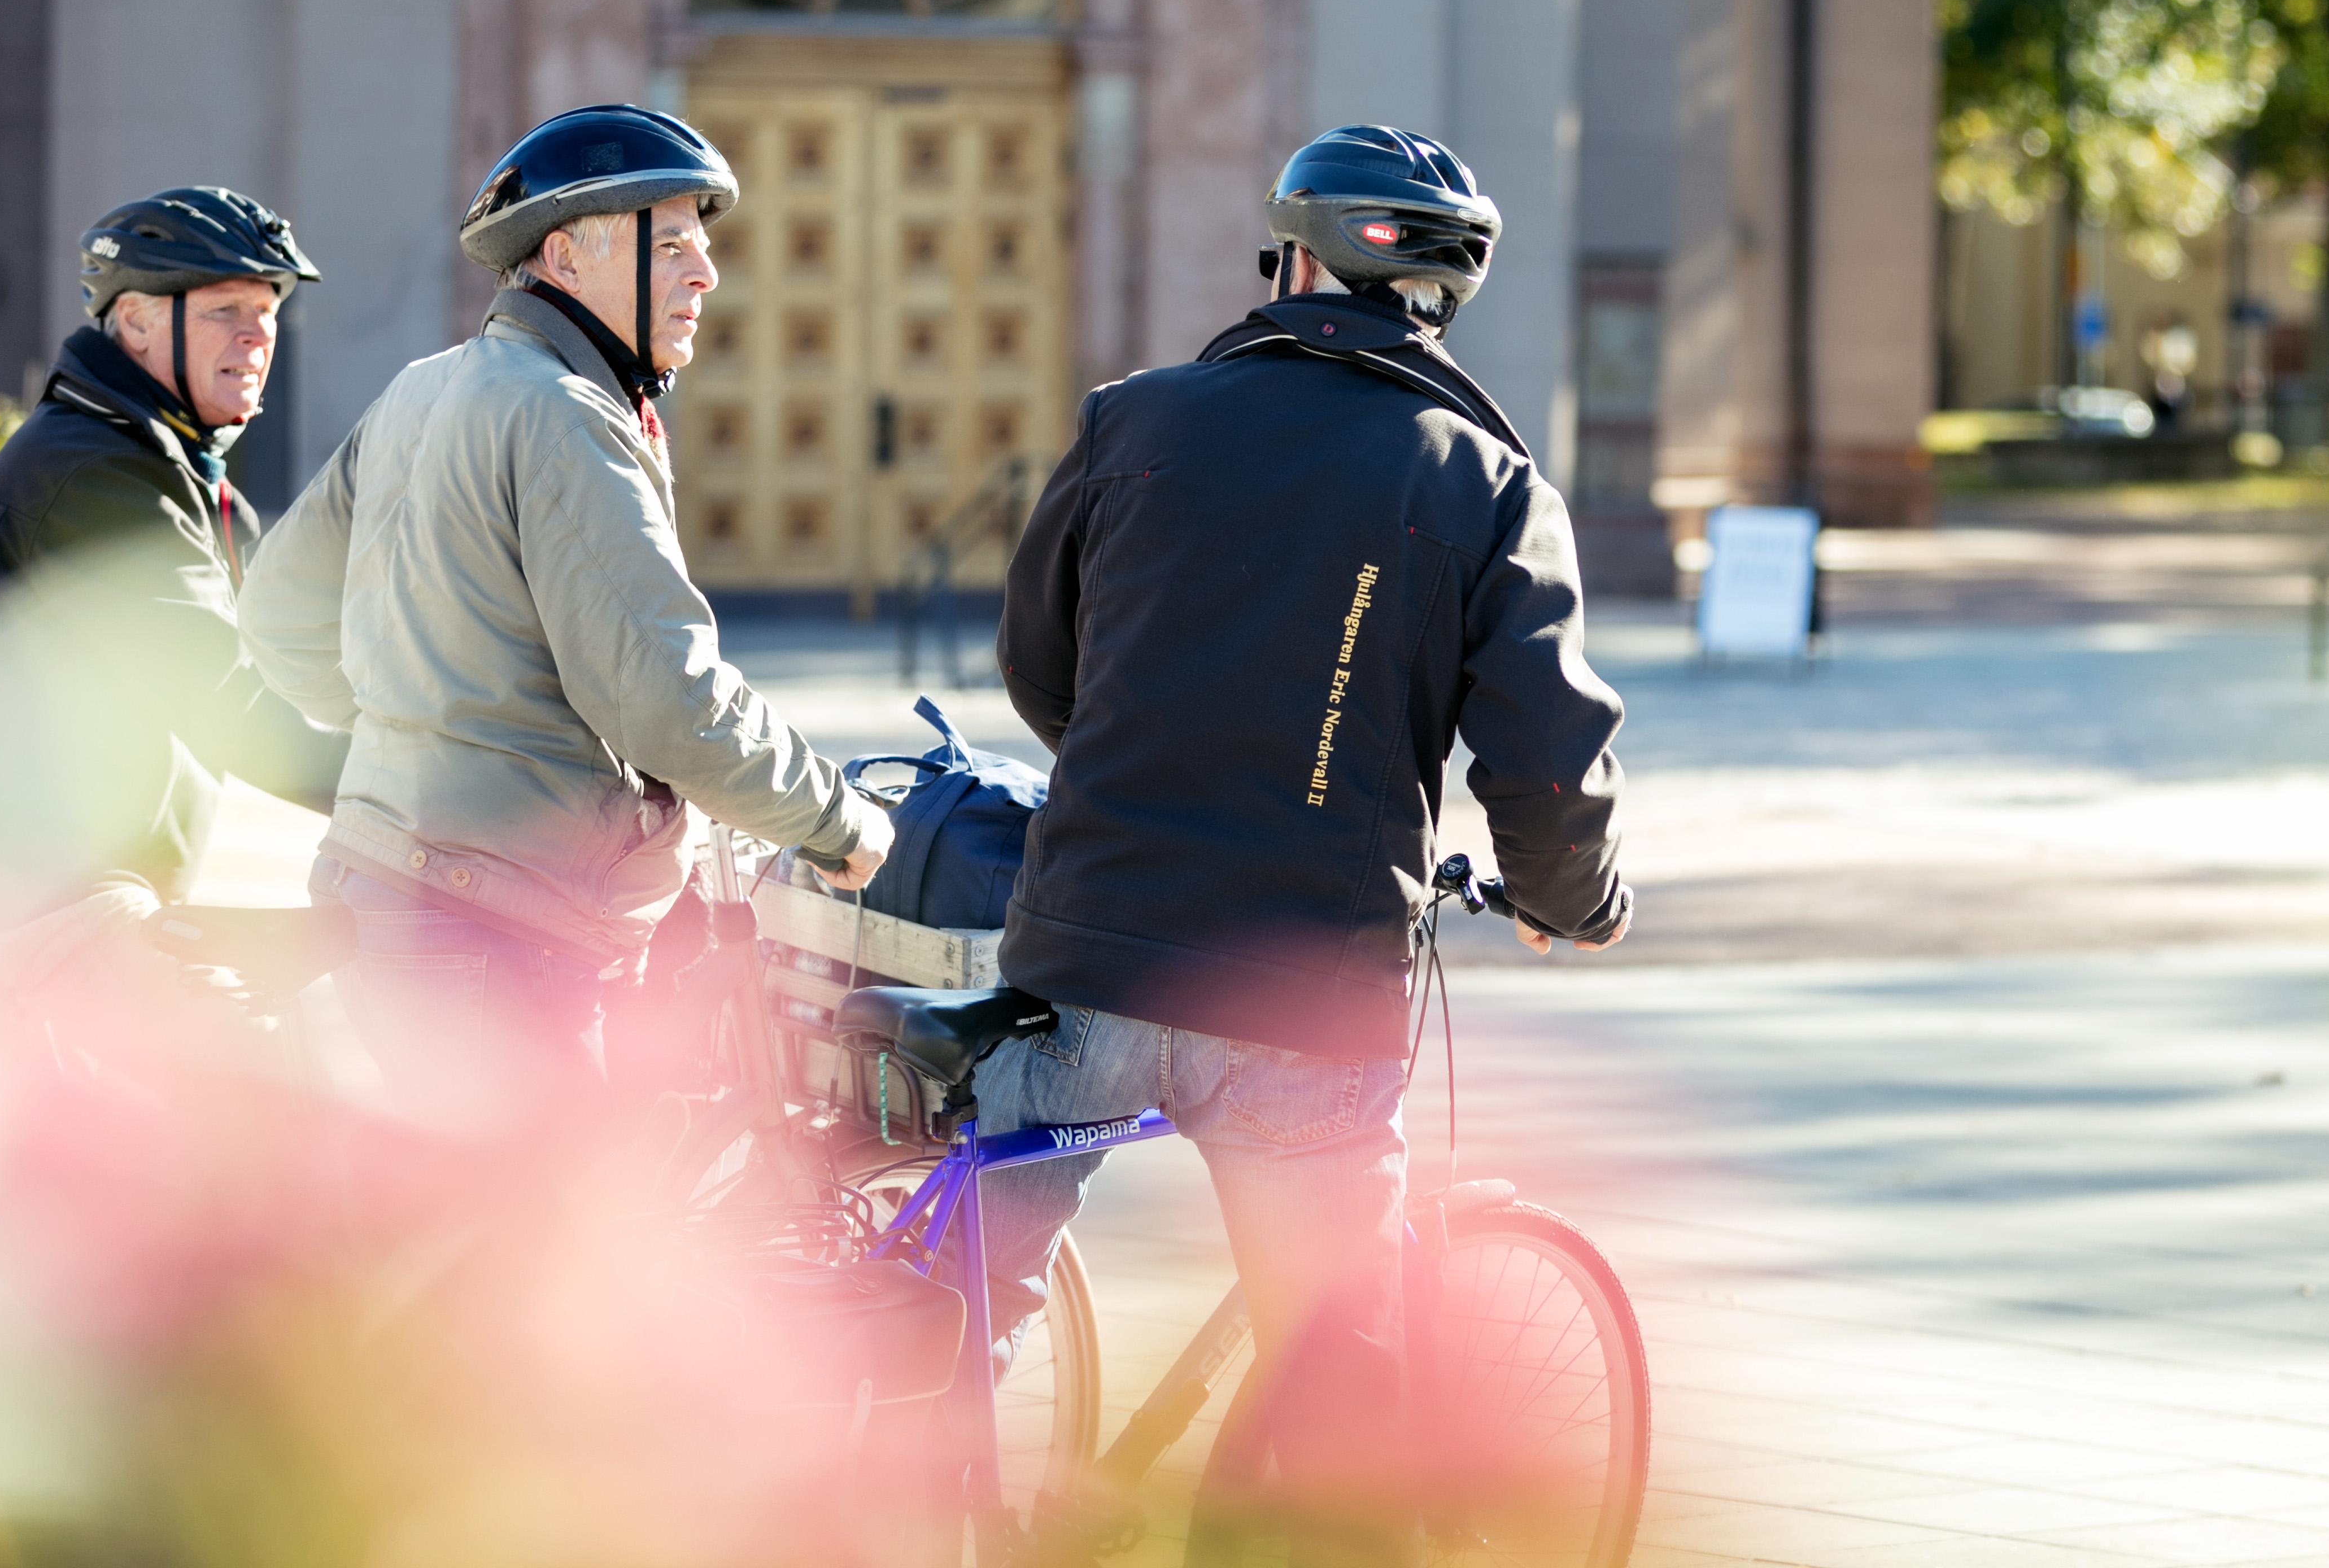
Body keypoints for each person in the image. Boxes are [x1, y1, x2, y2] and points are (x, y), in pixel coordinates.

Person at [979, 124, 1634, 1564]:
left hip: (1088, 944)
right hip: (1303, 996)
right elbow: (1543, 756)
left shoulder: (1132, 421)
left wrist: (1143, 770)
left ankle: (903, 1497)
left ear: (1285, 261)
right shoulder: (1483, 481)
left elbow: (1040, 667)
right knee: (1334, 1367)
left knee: (971, 1284)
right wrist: (1567, 900)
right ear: (1440, 302)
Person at [237, 105, 894, 1128]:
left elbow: (277, 613)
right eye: (672, 243)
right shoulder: (564, 415)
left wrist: (419, 716)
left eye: (705, 245)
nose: (705, 274)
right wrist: (834, 821)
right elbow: (666, 701)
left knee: (478, 1251)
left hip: (385, 893)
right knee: (570, 1262)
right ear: (565, 257)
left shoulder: (423, 388)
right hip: (495, 931)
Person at [0, 187, 349, 1036]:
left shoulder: (173, 469)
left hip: (68, 887)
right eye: (225, 310)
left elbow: (297, 658)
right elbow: (223, 699)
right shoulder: (97, 477)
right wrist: (405, 792)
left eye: (269, 311)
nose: (257, 335)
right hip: (27, 894)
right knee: (253, 1079)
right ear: (134, 323)